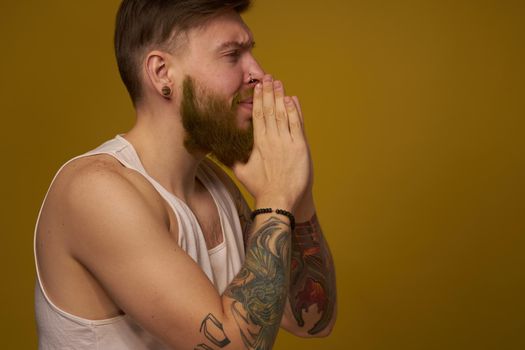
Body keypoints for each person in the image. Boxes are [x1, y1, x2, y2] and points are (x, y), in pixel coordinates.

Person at [33, 0, 337, 348]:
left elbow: (311, 321)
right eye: (232, 54)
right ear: (162, 73)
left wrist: (300, 191)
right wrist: (277, 196)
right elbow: (236, 344)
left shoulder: (214, 185)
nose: (257, 72)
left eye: (251, 52)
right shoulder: (95, 191)